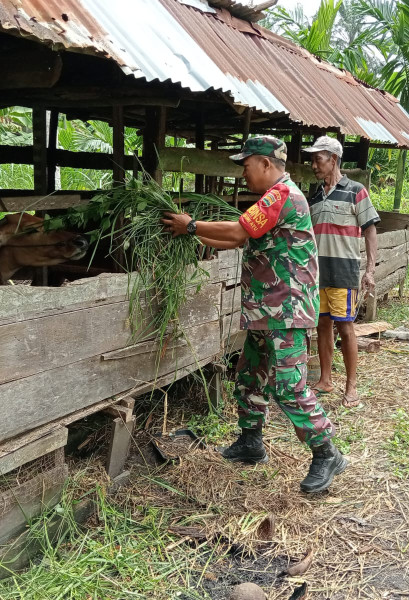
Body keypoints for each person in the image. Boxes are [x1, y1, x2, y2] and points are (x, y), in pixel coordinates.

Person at [161, 136, 348, 494]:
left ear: (264, 163)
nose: (243, 174)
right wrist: (190, 233)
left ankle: (327, 453)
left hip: (287, 310)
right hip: (268, 309)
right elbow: (235, 240)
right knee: (249, 377)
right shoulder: (273, 197)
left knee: (289, 385)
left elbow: (236, 231)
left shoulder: (282, 195)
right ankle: (251, 443)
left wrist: (191, 226)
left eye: (246, 166)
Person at [302, 136, 380, 408]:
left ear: (333, 159)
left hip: (343, 271)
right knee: (322, 325)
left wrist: (369, 270)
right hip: (318, 273)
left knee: (345, 327)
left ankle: (351, 385)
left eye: (318, 159)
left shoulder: (356, 190)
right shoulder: (314, 194)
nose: (313, 165)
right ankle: (325, 379)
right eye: (312, 160)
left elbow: (370, 230)